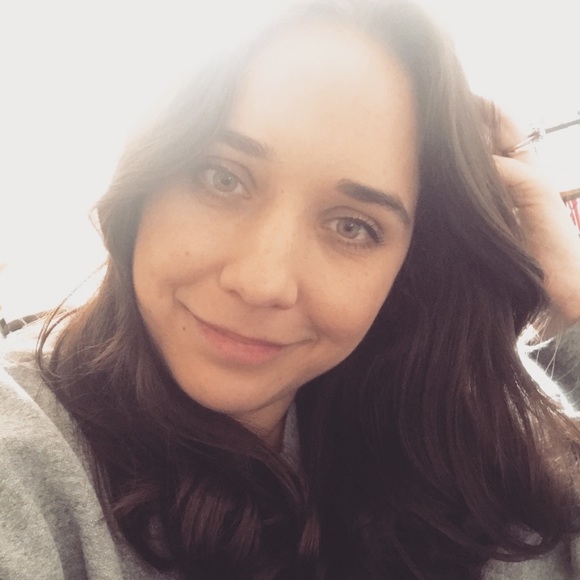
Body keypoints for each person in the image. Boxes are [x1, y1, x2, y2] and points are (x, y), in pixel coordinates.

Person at [1, 0, 580, 578]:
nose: (262, 282)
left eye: (352, 226)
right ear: (146, 176)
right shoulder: (23, 454)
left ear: (409, 265)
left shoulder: (453, 416)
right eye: (222, 177)